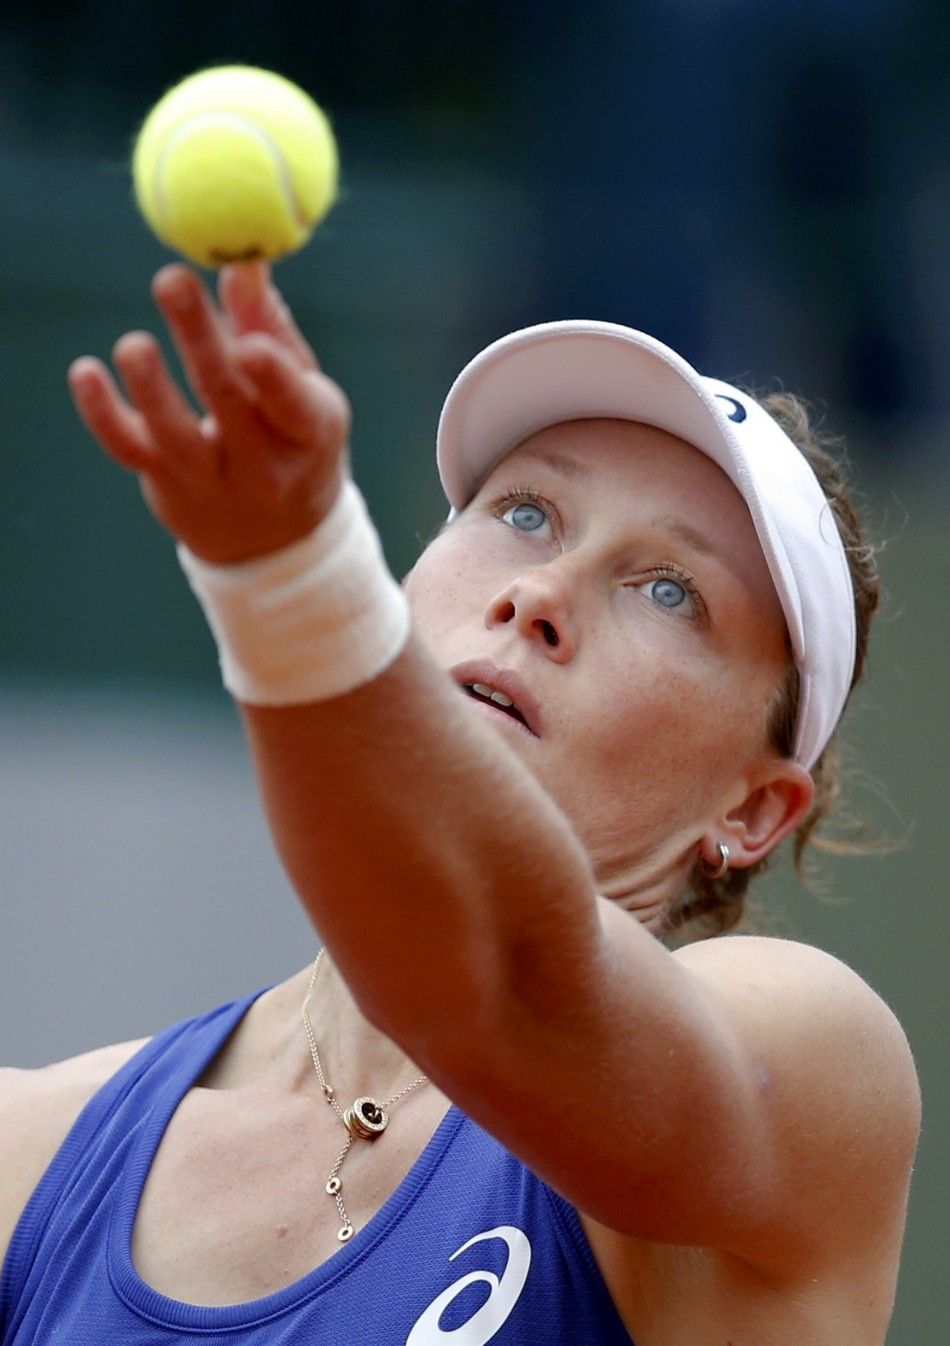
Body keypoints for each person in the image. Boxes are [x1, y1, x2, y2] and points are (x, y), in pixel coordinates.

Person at [0, 261, 920, 1345]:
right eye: (524, 511)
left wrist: (290, 585)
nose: (538, 593)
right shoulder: (28, 1151)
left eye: (668, 589)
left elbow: (490, 977)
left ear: (753, 809)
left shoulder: (809, 1062)